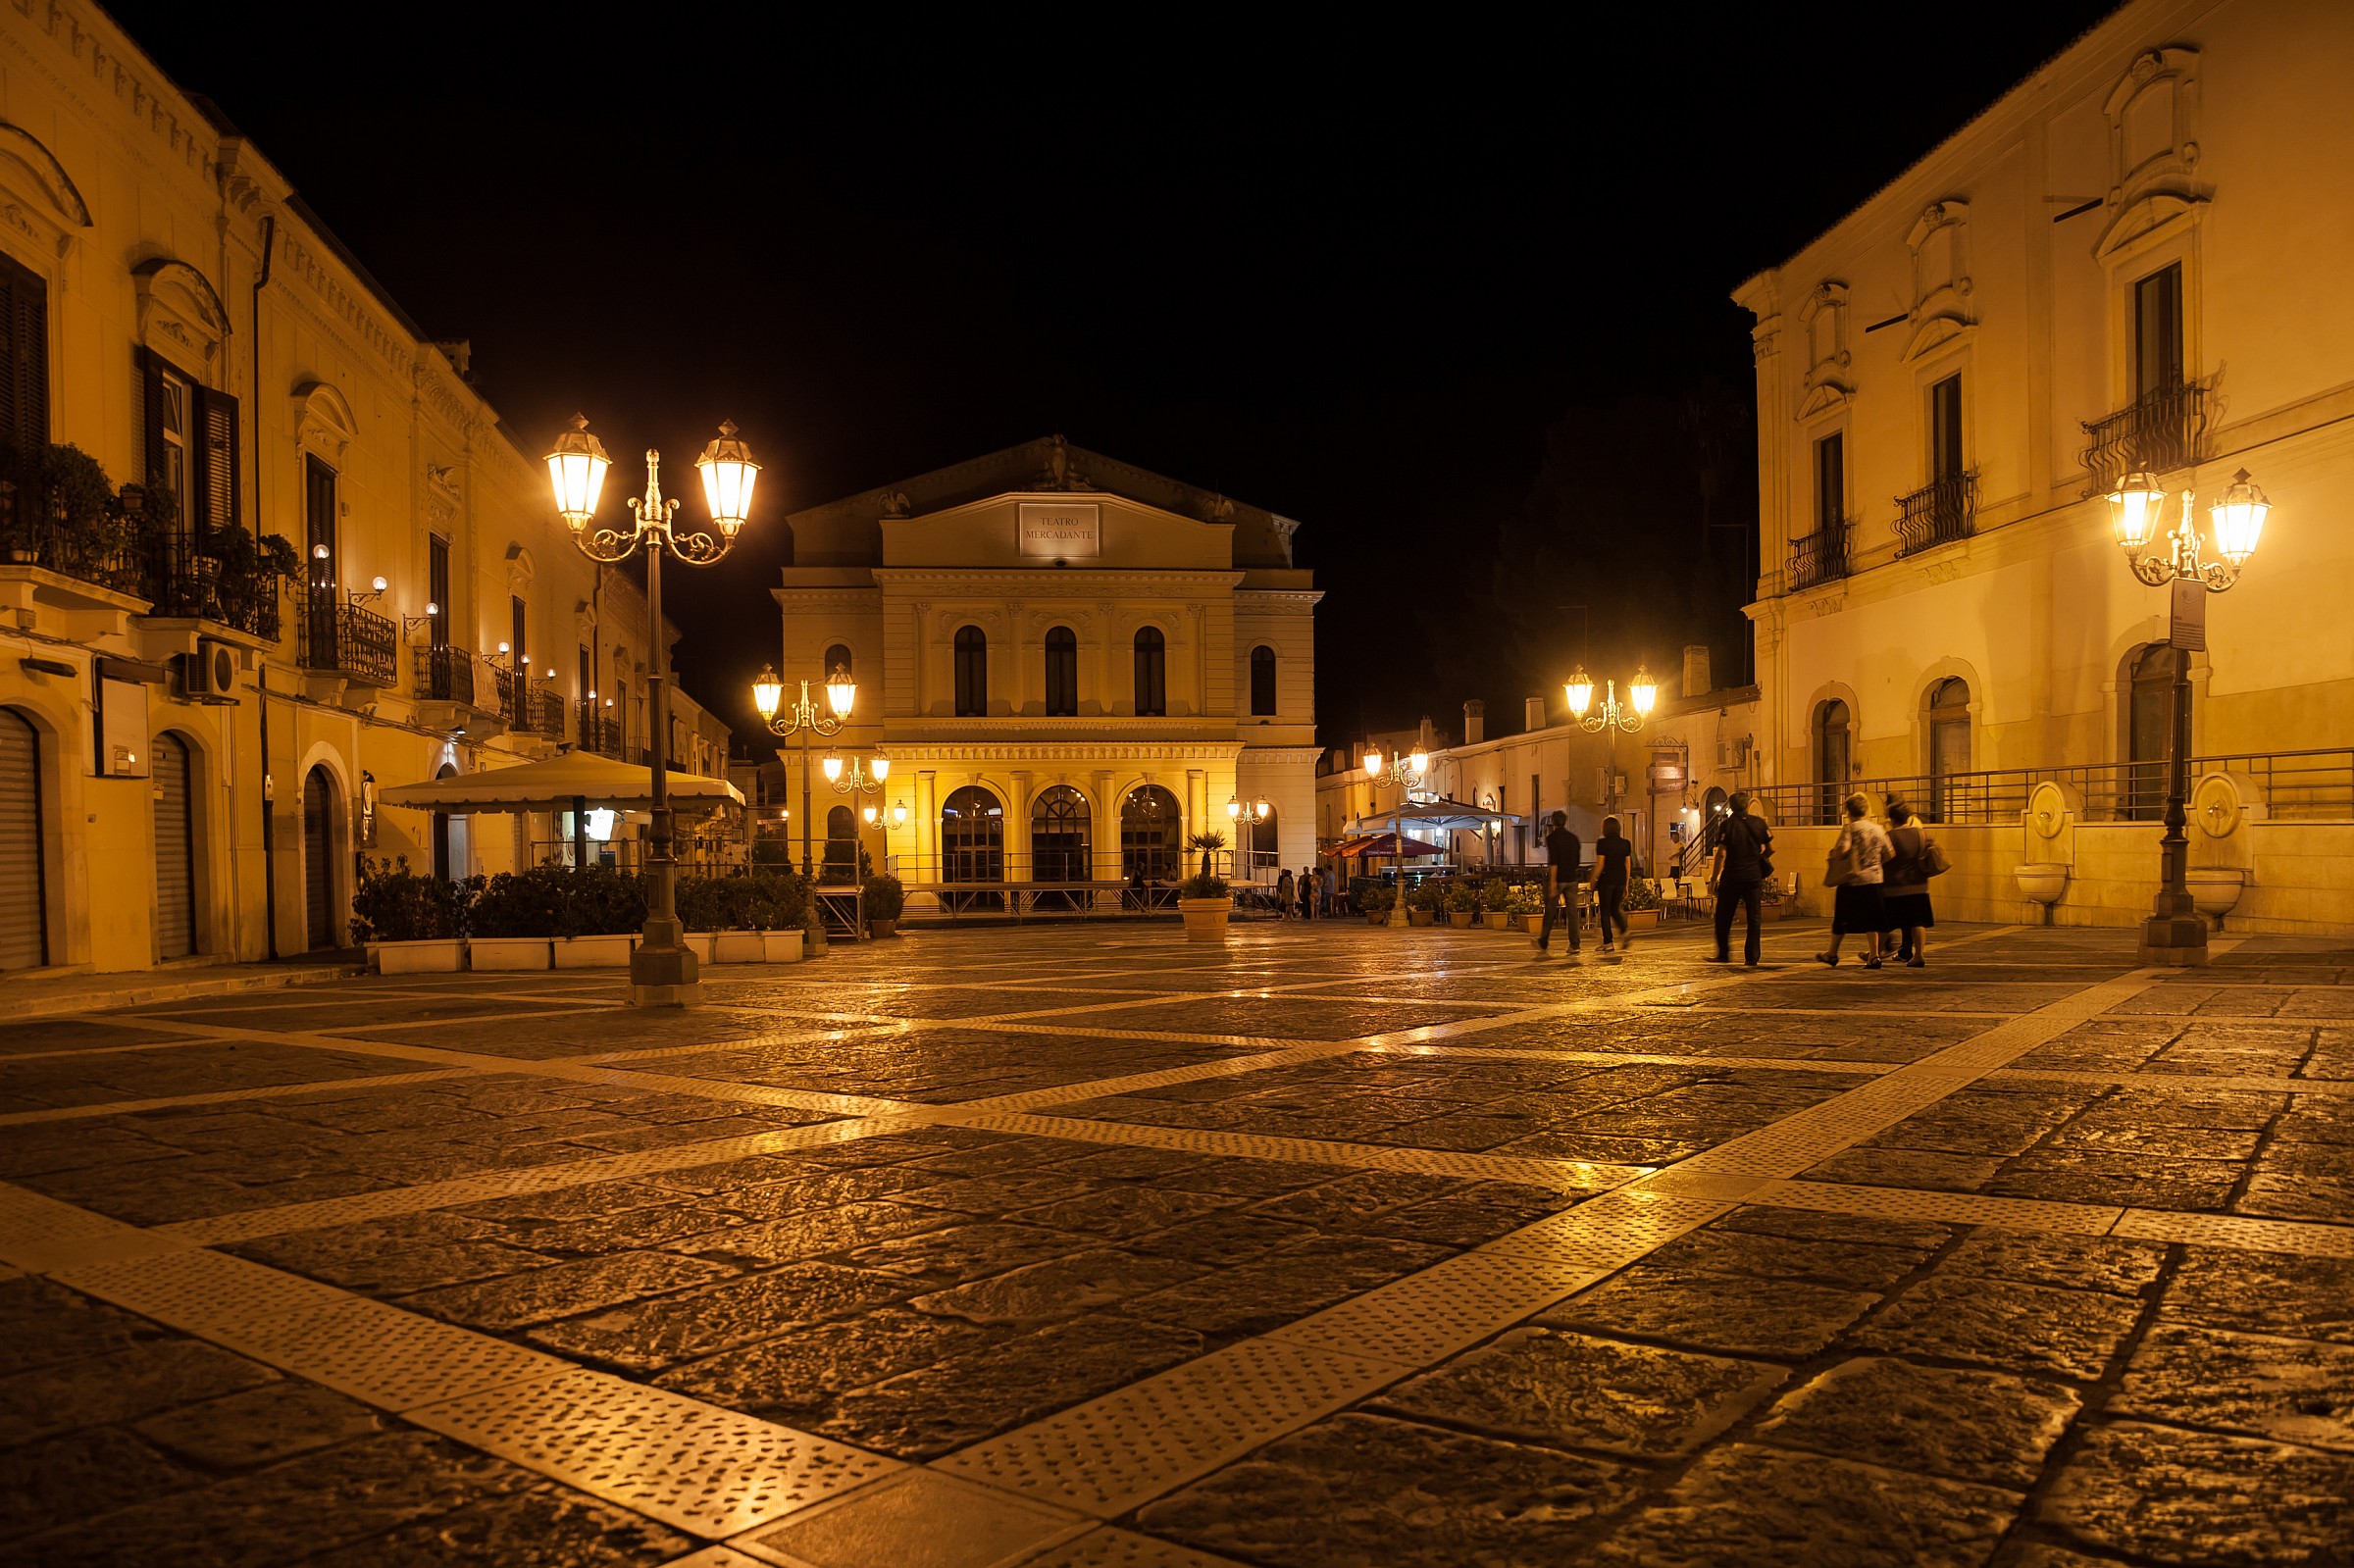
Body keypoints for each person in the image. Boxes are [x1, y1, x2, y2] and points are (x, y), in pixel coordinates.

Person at [1818, 792, 1892, 968]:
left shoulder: (1850, 828)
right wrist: (1875, 863)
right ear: (1865, 810)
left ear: (1848, 811)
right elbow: (1890, 854)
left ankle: (1832, 953)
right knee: (1872, 919)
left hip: (1853, 881)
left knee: (1841, 919)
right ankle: (1874, 956)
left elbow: (1843, 849)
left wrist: (1834, 854)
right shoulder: (1878, 829)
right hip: (1875, 879)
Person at [1706, 792, 1772, 967]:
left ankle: (1723, 953)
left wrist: (1713, 879)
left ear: (1731, 807)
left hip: (1732, 876)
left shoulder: (1727, 825)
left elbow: (1720, 854)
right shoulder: (1759, 823)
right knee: (1754, 918)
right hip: (1753, 876)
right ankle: (1752, 957)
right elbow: (1771, 849)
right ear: (1747, 805)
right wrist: (1758, 860)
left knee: (1723, 917)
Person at [1882, 801, 1935, 967]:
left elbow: (1884, 858)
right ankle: (1918, 955)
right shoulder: (1921, 833)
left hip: (1896, 887)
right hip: (1919, 885)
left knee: (1884, 923)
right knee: (1917, 922)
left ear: (1892, 819)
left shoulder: (1890, 836)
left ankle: (1874, 954)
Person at [1534, 809, 1582, 954]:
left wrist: (1553, 883)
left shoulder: (1552, 838)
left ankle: (1544, 940)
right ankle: (1575, 944)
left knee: (1550, 910)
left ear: (1553, 822)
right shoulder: (1574, 838)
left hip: (1559, 878)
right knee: (1572, 912)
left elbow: (1553, 862)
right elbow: (1577, 860)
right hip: (1572, 879)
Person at [1593, 814, 1635, 952]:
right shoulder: (1625, 843)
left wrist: (1593, 880)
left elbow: (1600, 864)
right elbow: (1628, 865)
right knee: (1615, 908)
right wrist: (1627, 884)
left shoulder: (1602, 843)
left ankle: (1608, 942)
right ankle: (1625, 931)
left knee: (1605, 911)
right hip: (1620, 880)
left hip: (1606, 880)